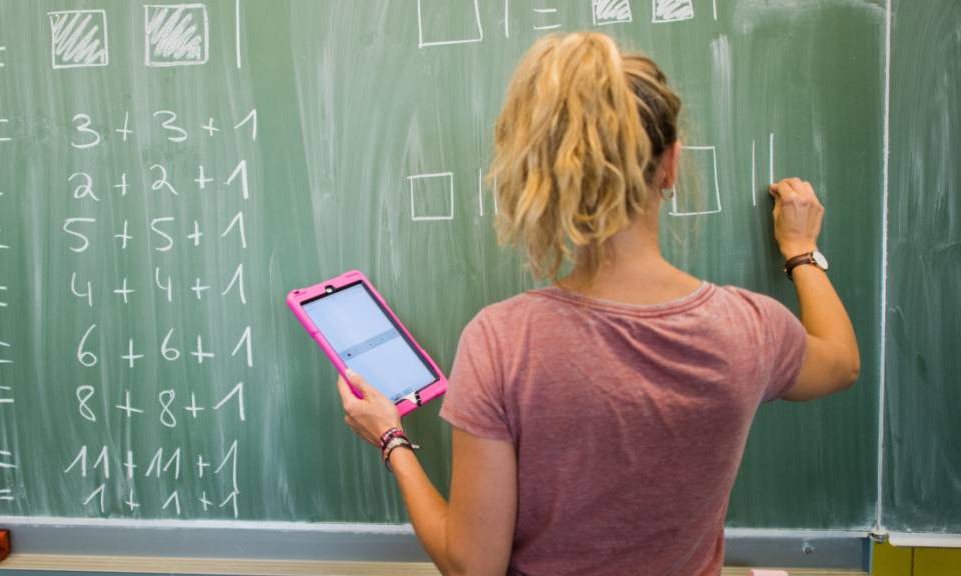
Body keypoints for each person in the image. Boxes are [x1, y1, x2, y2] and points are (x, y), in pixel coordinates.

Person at [336, 32, 860, 576]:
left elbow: (474, 568)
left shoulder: (502, 342)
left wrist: (391, 437)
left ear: (542, 176)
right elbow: (842, 363)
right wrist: (800, 251)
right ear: (672, 165)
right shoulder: (748, 328)